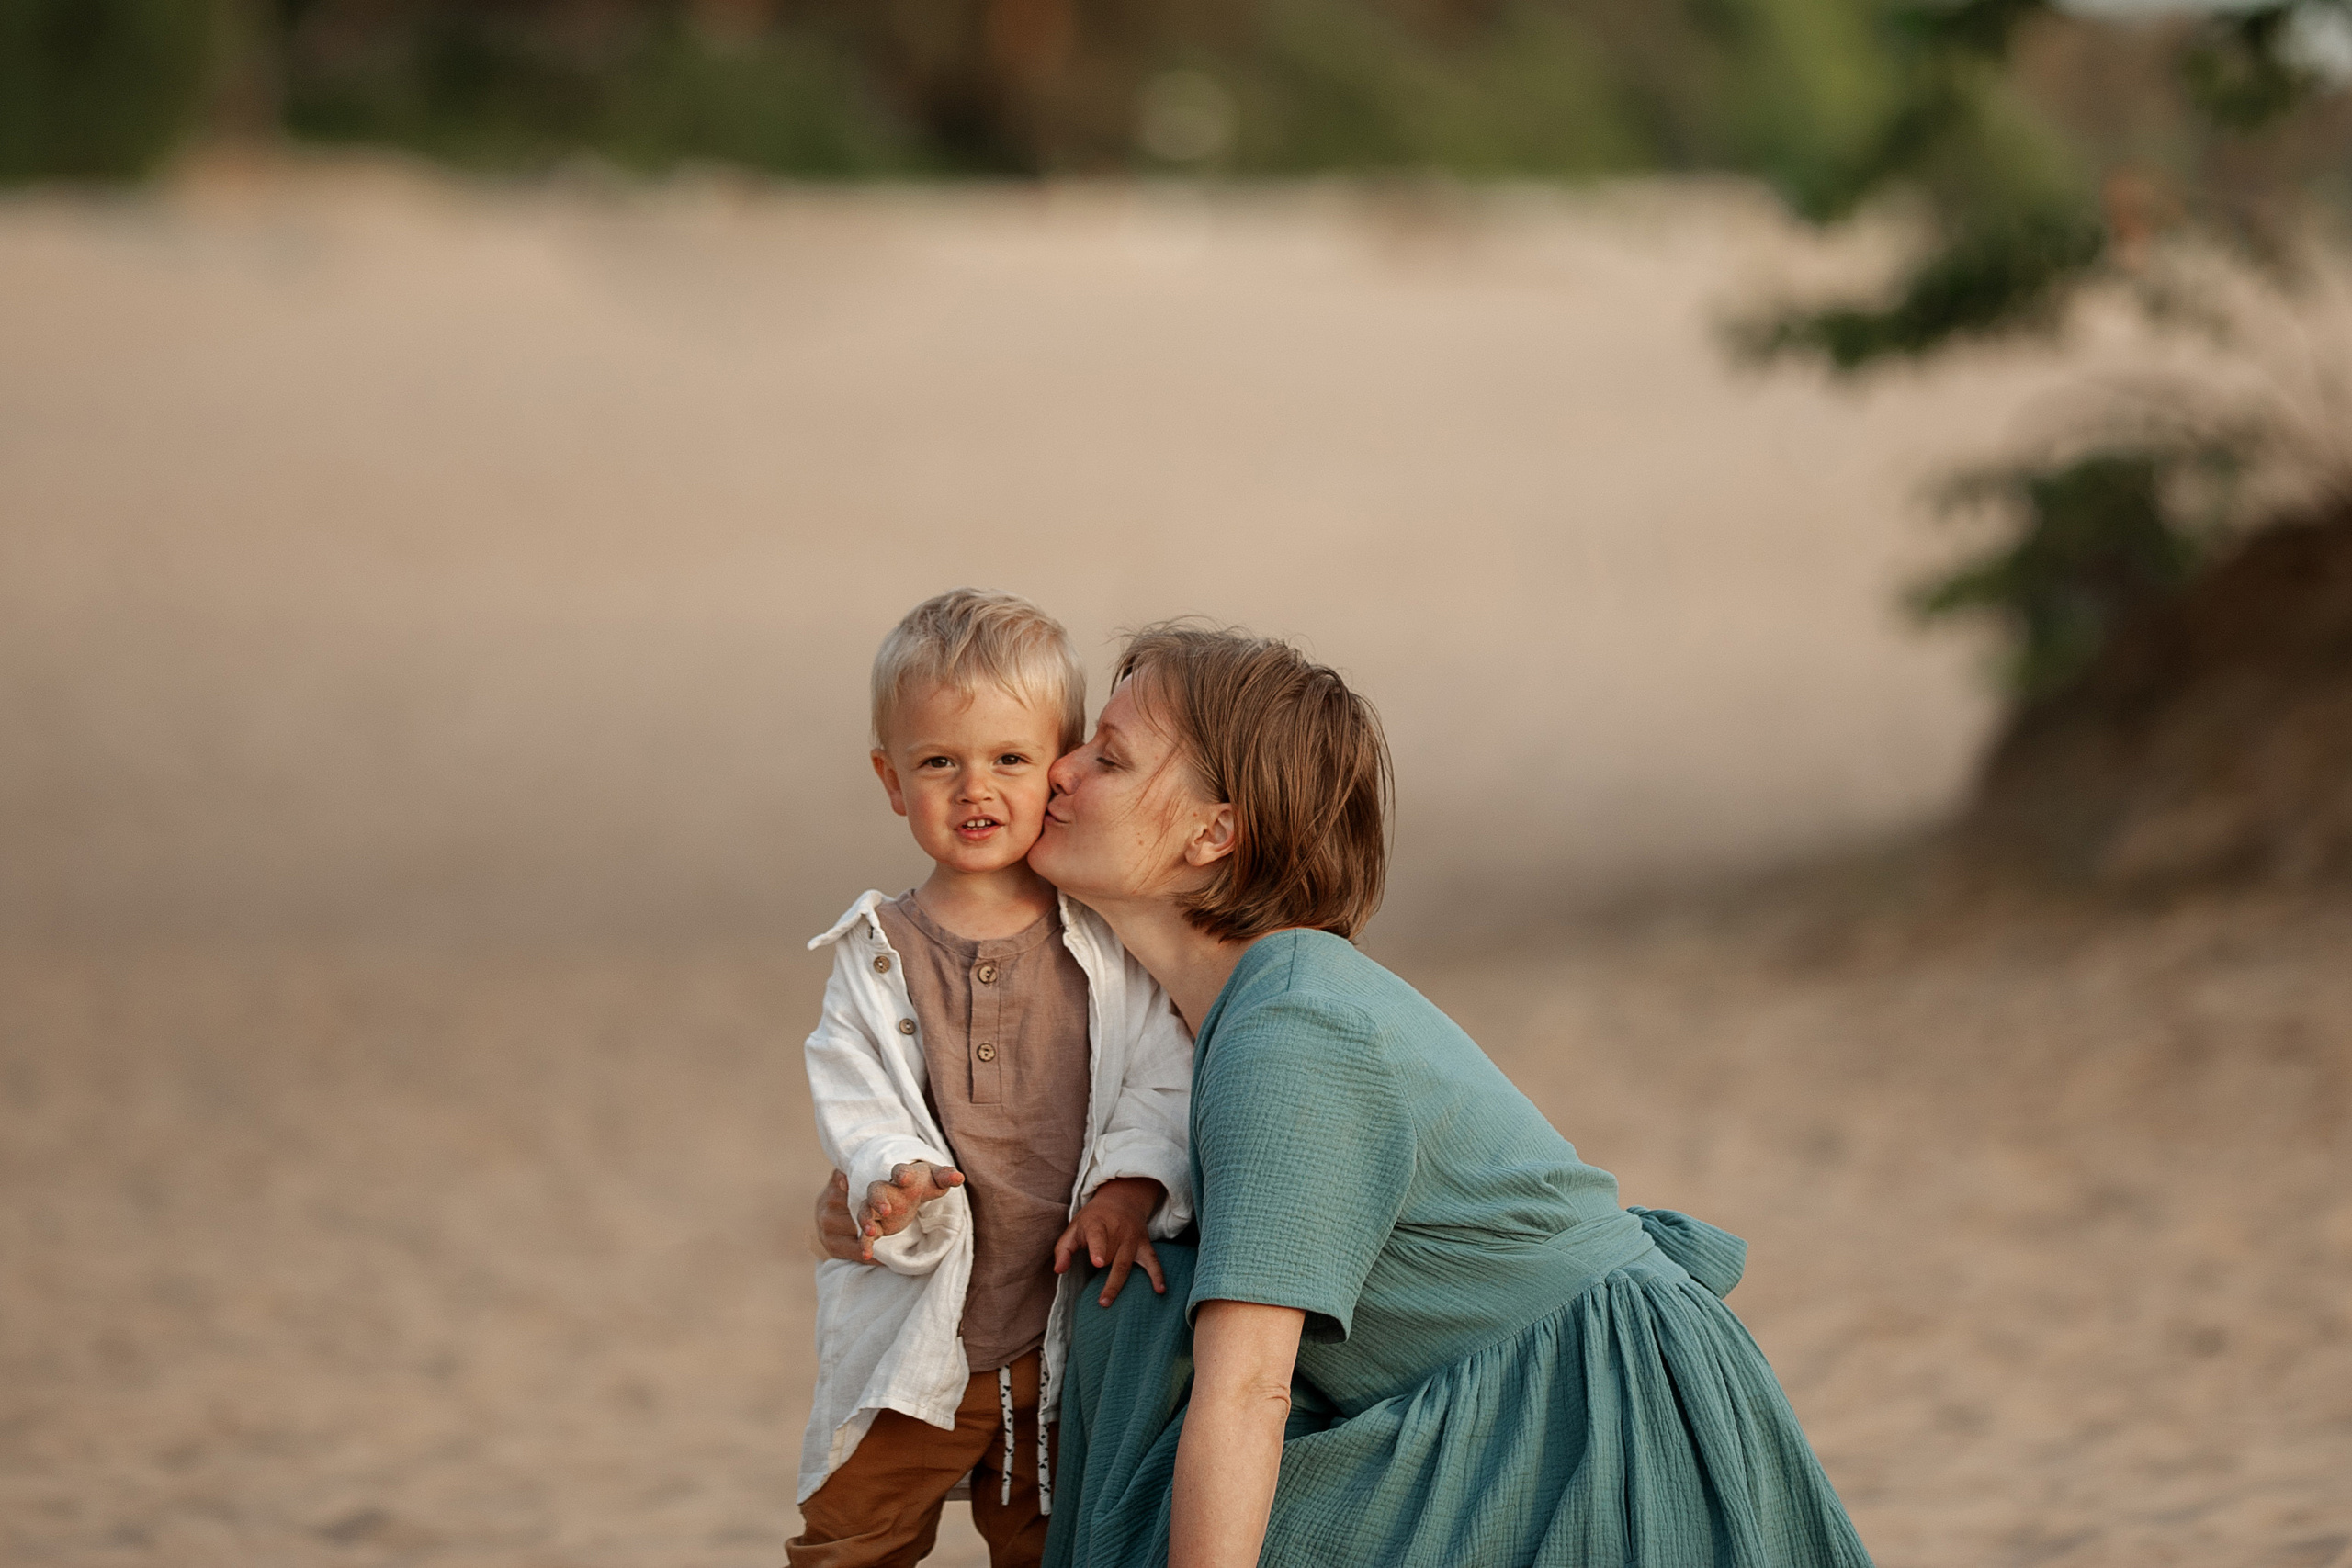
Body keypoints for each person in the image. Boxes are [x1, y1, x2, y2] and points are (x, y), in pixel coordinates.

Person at [1013, 623, 1875, 1567]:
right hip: (1513, 1393)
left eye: (1109, 756)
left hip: (1595, 1421)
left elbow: (1247, 1390)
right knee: (1139, 1310)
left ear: (1214, 831)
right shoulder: (1226, 1007)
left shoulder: (1292, 1028)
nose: (1059, 771)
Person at [791, 589, 1194, 1568]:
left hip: (1060, 1344)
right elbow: (853, 1085)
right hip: (917, 1344)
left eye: (1009, 760)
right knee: (851, 1543)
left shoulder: (1102, 940)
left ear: (1059, 766)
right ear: (893, 780)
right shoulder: (877, 949)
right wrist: (892, 1169)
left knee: (1055, 1550)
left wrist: (1130, 1188)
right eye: (940, 763)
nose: (976, 789)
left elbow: (1162, 1076)